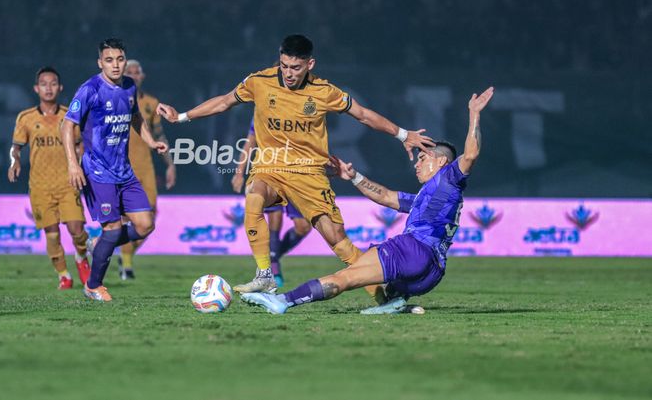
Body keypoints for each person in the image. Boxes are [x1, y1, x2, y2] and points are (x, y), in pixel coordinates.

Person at [157, 34, 433, 297]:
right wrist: (181, 116)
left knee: (338, 241)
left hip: (309, 173)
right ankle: (265, 275)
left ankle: (384, 297)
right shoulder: (259, 81)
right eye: (284, 66)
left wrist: (402, 134)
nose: (288, 73)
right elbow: (225, 102)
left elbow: (362, 115)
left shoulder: (324, 91)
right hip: (270, 167)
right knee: (253, 198)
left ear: (309, 64)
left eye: (296, 68)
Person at [240, 87, 494, 315]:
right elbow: (384, 196)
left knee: (346, 277)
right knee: (360, 274)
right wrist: (354, 176)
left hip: (414, 250)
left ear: (440, 162)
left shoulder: (449, 178)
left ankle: (282, 301)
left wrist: (474, 114)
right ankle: (392, 303)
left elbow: (470, 154)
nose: (417, 163)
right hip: (431, 271)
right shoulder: (426, 197)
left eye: (423, 158)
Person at [61, 38, 168, 302]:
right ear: (100, 63)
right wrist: (73, 164)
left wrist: (151, 141)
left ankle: (99, 245)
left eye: (120, 59)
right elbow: (67, 125)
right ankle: (93, 286)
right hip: (98, 172)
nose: (116, 65)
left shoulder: (129, 87)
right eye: (109, 60)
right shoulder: (90, 89)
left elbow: (135, 118)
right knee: (112, 228)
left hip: (124, 172)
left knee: (145, 225)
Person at [8, 66, 92, 290]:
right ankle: (64, 275)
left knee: (77, 230)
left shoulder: (70, 115)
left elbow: (79, 143)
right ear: (36, 88)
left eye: (53, 83)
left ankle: (82, 257)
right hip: (40, 187)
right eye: (44, 84)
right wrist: (14, 161)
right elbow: (16, 147)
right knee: (52, 235)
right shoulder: (26, 118)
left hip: (67, 183)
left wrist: (81, 161)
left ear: (60, 87)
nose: (48, 88)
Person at [231, 118, 312, 288]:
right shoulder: (263, 109)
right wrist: (239, 172)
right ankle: (272, 270)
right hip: (269, 171)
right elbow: (250, 143)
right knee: (275, 216)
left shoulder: (297, 107)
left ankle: (272, 257)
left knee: (303, 226)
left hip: (297, 172)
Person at [117, 59, 176, 280]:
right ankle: (127, 264)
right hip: (121, 167)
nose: (132, 75)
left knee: (150, 217)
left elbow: (160, 136)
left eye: (136, 72)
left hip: (146, 168)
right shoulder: (114, 99)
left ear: (142, 76)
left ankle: (126, 253)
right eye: (128, 71)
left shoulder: (151, 103)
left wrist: (170, 165)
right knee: (125, 217)